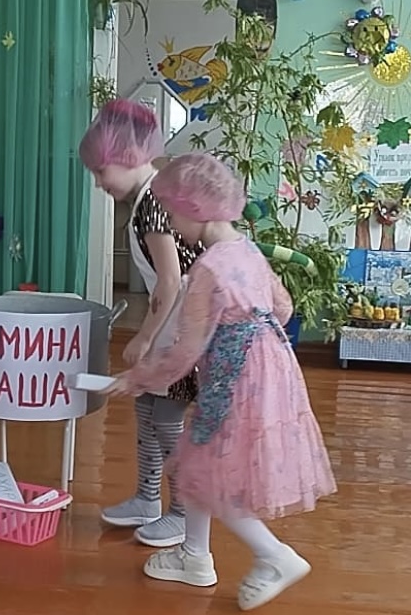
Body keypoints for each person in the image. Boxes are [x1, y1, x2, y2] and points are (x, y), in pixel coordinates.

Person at [103, 152, 337, 610]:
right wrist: (250, 335)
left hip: (235, 381)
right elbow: (283, 308)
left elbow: (185, 351)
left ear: (195, 210)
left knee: (213, 475)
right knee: (202, 465)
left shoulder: (206, 270)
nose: (171, 223)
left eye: (173, 213)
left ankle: (275, 556)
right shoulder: (246, 251)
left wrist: (138, 378)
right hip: (271, 373)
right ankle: (194, 556)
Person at [79, 99, 200, 547]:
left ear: (128, 157)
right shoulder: (151, 197)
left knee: (166, 420)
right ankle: (148, 498)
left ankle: (183, 512)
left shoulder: (153, 204)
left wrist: (145, 339)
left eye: (100, 171)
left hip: (183, 330)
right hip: (173, 324)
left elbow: (170, 280)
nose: (98, 182)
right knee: (147, 409)